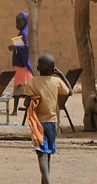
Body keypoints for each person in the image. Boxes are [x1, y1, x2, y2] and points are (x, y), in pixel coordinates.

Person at [26, 53, 69, 184]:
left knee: (41, 153)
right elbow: (70, 91)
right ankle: (44, 181)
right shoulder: (57, 81)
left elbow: (26, 102)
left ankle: (47, 181)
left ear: (38, 68)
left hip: (37, 123)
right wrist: (61, 75)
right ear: (54, 69)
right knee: (48, 153)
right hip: (52, 122)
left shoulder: (33, 82)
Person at [9, 12, 33, 115]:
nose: (17, 25)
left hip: (24, 66)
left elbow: (27, 48)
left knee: (24, 88)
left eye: (19, 22)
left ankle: (19, 109)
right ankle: (17, 109)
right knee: (20, 87)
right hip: (21, 65)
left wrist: (16, 47)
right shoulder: (23, 32)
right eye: (16, 22)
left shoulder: (25, 33)